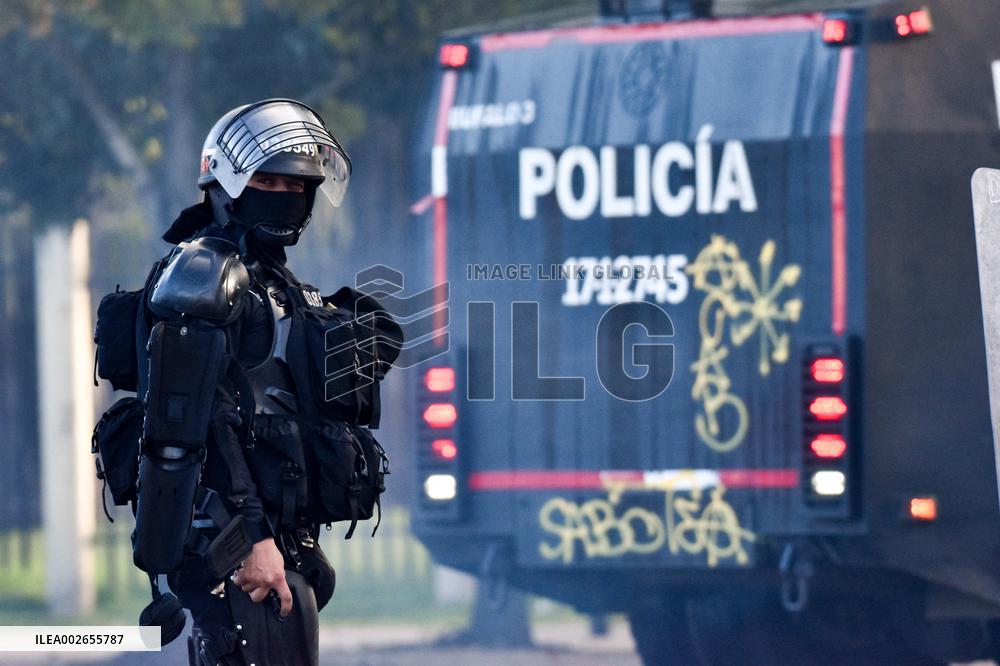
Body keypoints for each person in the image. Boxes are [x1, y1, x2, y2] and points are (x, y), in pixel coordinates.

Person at [129, 98, 397, 666]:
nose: (287, 195)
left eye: (298, 184)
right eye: (268, 180)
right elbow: (197, 424)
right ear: (226, 183)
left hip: (274, 533)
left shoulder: (270, 282)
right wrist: (251, 538)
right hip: (231, 534)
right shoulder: (203, 275)